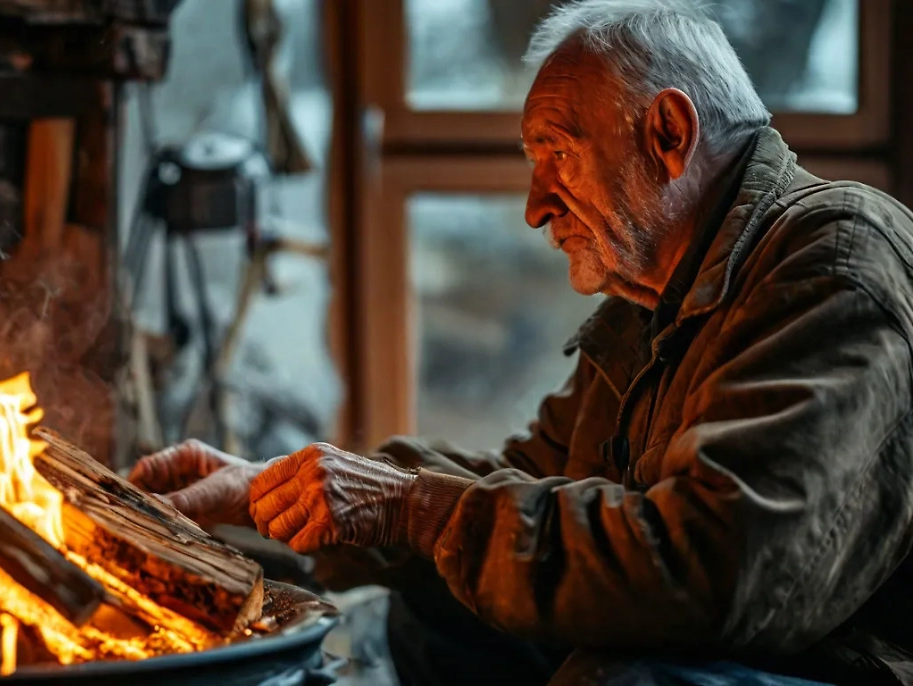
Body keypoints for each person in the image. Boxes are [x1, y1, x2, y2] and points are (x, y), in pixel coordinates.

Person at [130, 1, 913, 683]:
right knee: (440, 615)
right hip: (737, 635)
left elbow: (718, 570)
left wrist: (412, 508)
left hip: (839, 664)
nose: (536, 207)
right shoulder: (653, 297)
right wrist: (285, 494)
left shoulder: (833, 257)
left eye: (558, 155)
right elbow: (526, 482)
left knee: (626, 680)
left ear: (669, 133)